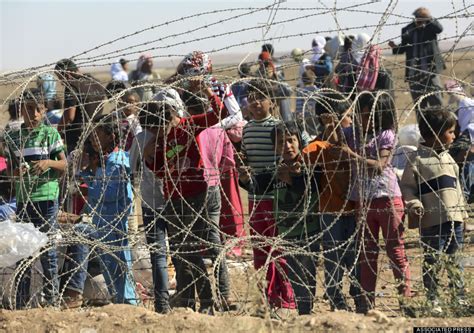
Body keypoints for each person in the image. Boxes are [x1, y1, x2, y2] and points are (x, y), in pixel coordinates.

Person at [144, 80, 229, 315]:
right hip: (173, 199)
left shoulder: (190, 125)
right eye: (152, 131)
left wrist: (207, 91)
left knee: (191, 252)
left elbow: (221, 113)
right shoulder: (159, 139)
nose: (157, 134)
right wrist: (149, 156)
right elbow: (160, 171)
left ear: (169, 116)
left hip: (196, 196)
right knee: (181, 254)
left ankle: (207, 301)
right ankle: (188, 302)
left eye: (158, 128)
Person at [343, 92, 412, 313]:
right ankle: (367, 304)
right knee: (367, 254)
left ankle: (407, 301)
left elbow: (380, 165)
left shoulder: (386, 135)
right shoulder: (352, 133)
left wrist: (351, 155)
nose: (367, 120)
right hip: (363, 201)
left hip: (388, 198)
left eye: (372, 115)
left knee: (396, 251)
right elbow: (333, 134)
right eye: (363, 114)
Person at [62, 114, 137, 308]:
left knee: (120, 267)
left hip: (115, 223)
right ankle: (121, 302)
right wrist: (86, 174)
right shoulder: (106, 161)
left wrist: (86, 187)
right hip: (103, 223)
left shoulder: (118, 161)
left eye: (98, 133)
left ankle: (129, 304)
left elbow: (110, 193)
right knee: (110, 268)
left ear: (111, 136)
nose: (93, 138)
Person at [3, 89, 67, 308]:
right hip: (24, 199)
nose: (35, 114)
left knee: (48, 252)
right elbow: (10, 170)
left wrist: (48, 163)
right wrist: (15, 173)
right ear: (22, 110)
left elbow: (64, 164)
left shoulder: (50, 134)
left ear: (44, 110)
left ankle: (52, 301)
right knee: (24, 252)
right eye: (29, 109)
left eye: (38, 109)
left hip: (47, 198)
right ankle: (22, 302)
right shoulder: (13, 137)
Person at [401, 107, 468, 314]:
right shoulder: (417, 160)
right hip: (432, 221)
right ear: (436, 133)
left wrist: (463, 216)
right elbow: (407, 187)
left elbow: (457, 190)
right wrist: (414, 204)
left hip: (454, 220)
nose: (454, 135)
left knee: (456, 262)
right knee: (433, 261)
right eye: (450, 131)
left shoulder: (449, 159)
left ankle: (460, 298)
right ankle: (433, 299)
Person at [239, 79, 295, 311]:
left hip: (275, 196)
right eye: (251, 99)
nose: (255, 103)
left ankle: (287, 297)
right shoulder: (247, 129)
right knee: (260, 249)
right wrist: (243, 166)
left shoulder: (277, 127)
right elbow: (246, 157)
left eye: (260, 98)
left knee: (277, 249)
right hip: (255, 197)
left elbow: (284, 157)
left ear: (272, 102)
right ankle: (268, 296)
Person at [304, 91, 361, 312]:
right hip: (330, 214)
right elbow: (301, 160)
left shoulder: (355, 144)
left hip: (356, 211)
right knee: (333, 262)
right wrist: (330, 135)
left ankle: (361, 300)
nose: (350, 122)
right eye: (346, 118)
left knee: (356, 261)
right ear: (329, 119)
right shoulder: (318, 146)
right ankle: (338, 306)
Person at [269, 122, 322, 315]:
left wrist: (292, 179)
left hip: (310, 230)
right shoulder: (276, 169)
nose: (287, 146)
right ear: (275, 147)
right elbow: (257, 186)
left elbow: (308, 191)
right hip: (288, 231)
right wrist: (245, 178)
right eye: (281, 142)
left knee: (307, 273)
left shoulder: (309, 165)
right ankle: (303, 311)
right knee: (294, 274)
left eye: (291, 141)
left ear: (299, 141)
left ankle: (306, 310)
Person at [129, 100, 171, 313]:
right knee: (180, 251)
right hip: (174, 199)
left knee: (158, 253)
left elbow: (132, 168)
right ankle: (185, 298)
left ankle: (162, 303)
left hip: (150, 201)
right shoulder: (170, 136)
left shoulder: (140, 139)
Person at [388, 7, 445, 108]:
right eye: (418, 17)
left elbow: (439, 29)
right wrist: (395, 47)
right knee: (419, 106)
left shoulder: (430, 27)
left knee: (437, 103)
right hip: (414, 74)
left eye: (423, 18)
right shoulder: (408, 30)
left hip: (430, 72)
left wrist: (429, 18)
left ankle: (438, 123)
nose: (419, 20)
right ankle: (423, 124)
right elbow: (403, 48)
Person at [55, 58, 107, 154]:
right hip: (95, 134)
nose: (62, 82)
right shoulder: (96, 83)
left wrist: (57, 132)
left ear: (67, 74)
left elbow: (69, 117)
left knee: (76, 166)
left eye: (61, 78)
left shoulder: (72, 86)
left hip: (76, 138)